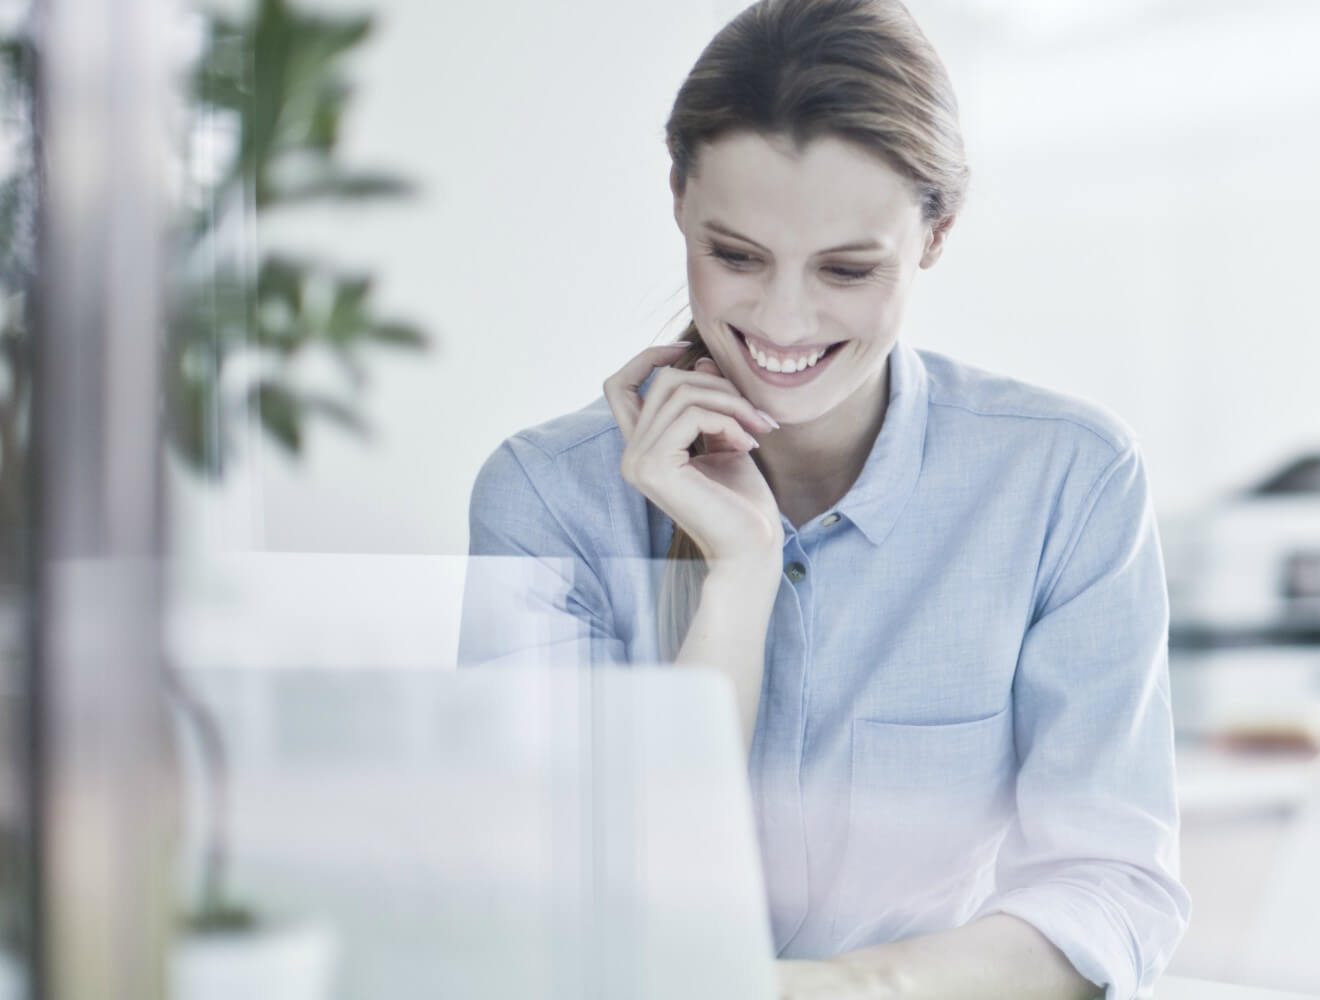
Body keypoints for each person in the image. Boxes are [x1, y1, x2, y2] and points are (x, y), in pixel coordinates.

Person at [455, 2, 1188, 996]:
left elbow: (1110, 888)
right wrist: (740, 575)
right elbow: (575, 905)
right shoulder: (544, 498)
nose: (784, 319)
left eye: (847, 268)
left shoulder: (1066, 478)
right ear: (677, 201)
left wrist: (844, 989)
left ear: (935, 234)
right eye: (736, 256)